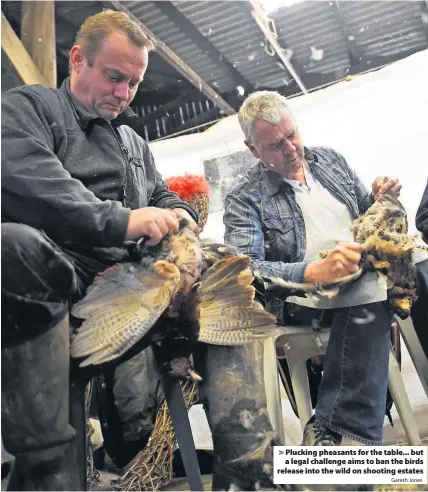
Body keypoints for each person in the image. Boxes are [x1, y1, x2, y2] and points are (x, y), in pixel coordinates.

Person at [1, 10, 199, 490]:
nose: (123, 94)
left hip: (139, 289)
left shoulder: (133, 140)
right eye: (114, 77)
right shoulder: (32, 108)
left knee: (234, 275)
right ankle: (49, 468)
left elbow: (158, 193)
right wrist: (120, 221)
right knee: (13, 245)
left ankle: (247, 467)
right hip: (62, 279)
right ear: (77, 59)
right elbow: (21, 172)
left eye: (133, 83)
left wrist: (182, 215)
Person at [223, 90, 402, 446]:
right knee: (367, 284)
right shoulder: (244, 198)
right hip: (301, 298)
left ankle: (330, 430)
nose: (291, 149)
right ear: (253, 149)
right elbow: (245, 271)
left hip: (359, 280)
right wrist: (310, 273)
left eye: (293, 135)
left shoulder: (330, 161)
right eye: (276, 145)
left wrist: (381, 197)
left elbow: (366, 215)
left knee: (399, 275)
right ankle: (344, 437)